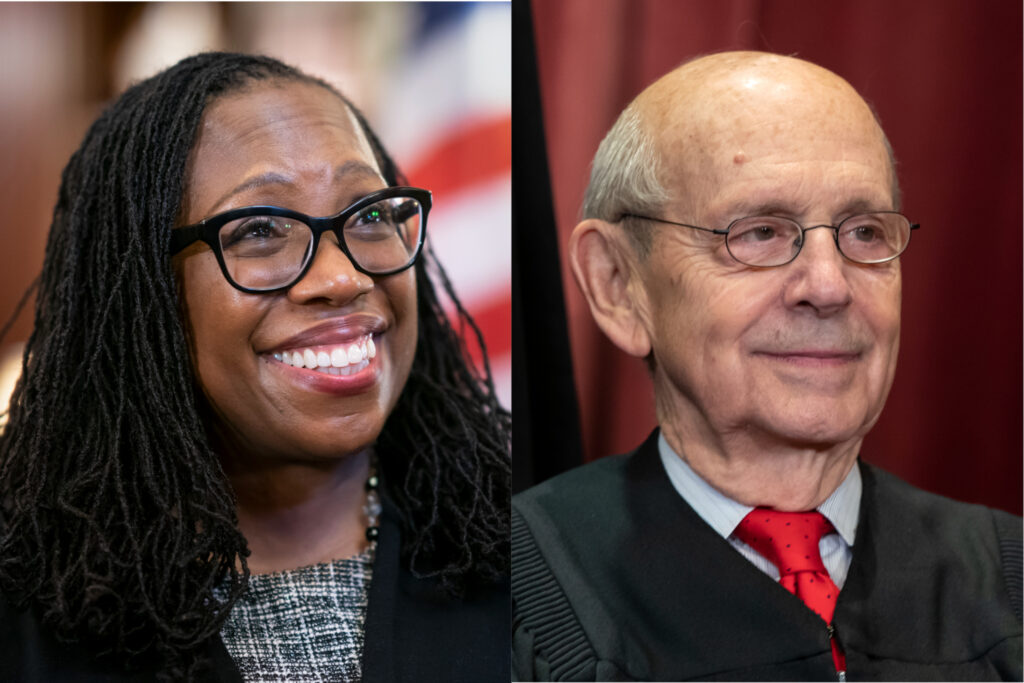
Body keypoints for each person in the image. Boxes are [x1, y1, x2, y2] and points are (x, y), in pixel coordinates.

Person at [512, 51, 1021, 681]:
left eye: (863, 232)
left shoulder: (1009, 581)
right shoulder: (513, 592)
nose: (830, 286)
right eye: (759, 233)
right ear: (619, 284)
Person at [0, 52, 510, 681]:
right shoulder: (25, 613)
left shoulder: (531, 558)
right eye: (260, 228)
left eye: (372, 213)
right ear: (141, 291)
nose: (342, 277)